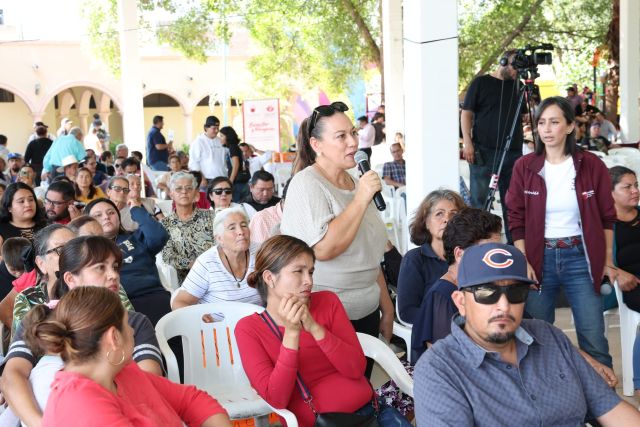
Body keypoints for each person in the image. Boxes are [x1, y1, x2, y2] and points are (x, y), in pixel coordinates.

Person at [413, 242, 640, 426]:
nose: (503, 305)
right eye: (486, 292)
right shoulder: (438, 370)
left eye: (515, 292)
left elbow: (611, 409)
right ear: (460, 302)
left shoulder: (549, 337)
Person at [235, 235, 411, 427]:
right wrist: (292, 334)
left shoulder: (327, 301)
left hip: (372, 413)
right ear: (269, 278)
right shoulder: (249, 329)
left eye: (310, 272)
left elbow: (356, 369)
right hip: (322, 423)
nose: (308, 281)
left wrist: (314, 328)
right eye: (298, 272)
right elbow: (277, 398)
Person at [506, 96, 616, 367]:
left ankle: (604, 404)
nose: (546, 129)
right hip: (538, 258)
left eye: (554, 122)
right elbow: (515, 217)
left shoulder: (591, 165)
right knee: (537, 337)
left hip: (581, 257)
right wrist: (524, 260)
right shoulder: (525, 166)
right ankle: (548, 401)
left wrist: (607, 260)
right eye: (542, 122)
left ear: (569, 127)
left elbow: (607, 217)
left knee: (593, 338)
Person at [281, 102, 394, 366]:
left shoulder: (357, 180)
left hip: (368, 308)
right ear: (316, 144)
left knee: (363, 394)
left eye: (353, 133)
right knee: (340, 396)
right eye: (341, 136)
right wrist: (362, 198)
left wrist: (386, 307)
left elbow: (370, 253)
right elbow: (322, 249)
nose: (353, 142)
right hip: (325, 315)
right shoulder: (307, 183)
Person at [27, 286, 230, 426]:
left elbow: (191, 399)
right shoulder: (80, 404)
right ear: (114, 337)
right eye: (127, 325)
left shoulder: (122, 372)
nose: (132, 332)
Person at [410, 208, 502, 362]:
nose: (496, 258)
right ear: (460, 254)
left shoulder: (483, 282)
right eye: (488, 251)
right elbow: (444, 363)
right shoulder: (442, 296)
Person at [461, 49, 525, 243]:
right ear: (503, 61)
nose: (516, 72)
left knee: (512, 203)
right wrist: (467, 142)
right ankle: (480, 245)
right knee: (480, 203)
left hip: (512, 154)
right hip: (483, 152)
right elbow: (466, 114)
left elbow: (521, 117)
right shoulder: (481, 83)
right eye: (514, 66)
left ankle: (514, 245)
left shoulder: (519, 86)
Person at [85, 198, 170, 325]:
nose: (106, 217)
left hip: (151, 297)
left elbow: (159, 235)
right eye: (98, 215)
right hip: (112, 308)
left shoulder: (135, 238)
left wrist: (136, 210)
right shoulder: (86, 250)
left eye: (111, 213)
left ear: (119, 217)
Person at [397, 190, 465, 324]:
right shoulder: (414, 259)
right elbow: (407, 312)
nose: (447, 219)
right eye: (439, 214)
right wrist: (450, 321)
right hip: (434, 332)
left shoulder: (468, 255)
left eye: (453, 214)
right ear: (426, 223)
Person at [172, 207, 261, 308]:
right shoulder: (207, 263)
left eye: (244, 225)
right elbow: (179, 302)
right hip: (217, 323)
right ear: (220, 238)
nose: (241, 231)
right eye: (232, 228)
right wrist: (199, 317)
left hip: (256, 321)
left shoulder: (261, 252)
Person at [160, 172, 217, 284]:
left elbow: (221, 245)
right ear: (171, 194)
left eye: (189, 188)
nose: (184, 192)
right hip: (187, 281)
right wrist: (193, 264)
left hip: (215, 274)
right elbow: (168, 257)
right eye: (178, 188)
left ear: (196, 193)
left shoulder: (211, 217)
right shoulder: (165, 224)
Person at [609, 166, 640, 306]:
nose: (635, 191)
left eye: (636, 185)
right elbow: (591, 258)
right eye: (627, 187)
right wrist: (617, 272)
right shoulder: (603, 223)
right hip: (630, 283)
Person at [0, 182, 47, 247]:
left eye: (31, 200)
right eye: (21, 201)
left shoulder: (46, 226)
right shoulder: (2, 229)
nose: (28, 204)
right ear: (9, 208)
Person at [189, 116, 228, 183]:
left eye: (218, 128)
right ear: (206, 128)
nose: (216, 131)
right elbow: (194, 163)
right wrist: (202, 178)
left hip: (223, 178)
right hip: (207, 180)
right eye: (214, 128)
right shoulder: (198, 142)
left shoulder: (221, 141)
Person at [250, 180, 288, 246]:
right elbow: (258, 254)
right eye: (261, 189)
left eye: (270, 189)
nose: (265, 193)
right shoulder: (261, 219)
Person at [219, 126, 250, 202]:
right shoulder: (234, 147)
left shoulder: (233, 148)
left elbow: (236, 165)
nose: (220, 138)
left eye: (222, 136)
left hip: (237, 184)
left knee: (237, 206)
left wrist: (230, 181)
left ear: (228, 136)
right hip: (241, 183)